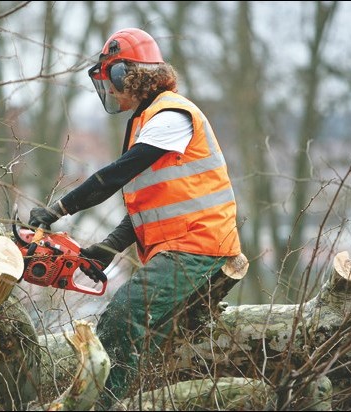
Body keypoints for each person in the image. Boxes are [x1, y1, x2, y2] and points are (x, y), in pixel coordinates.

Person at [28, 27, 242, 408]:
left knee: (124, 317)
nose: (110, 90)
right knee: (150, 340)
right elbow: (150, 206)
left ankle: (103, 404)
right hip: (180, 246)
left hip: (199, 245)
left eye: (112, 79)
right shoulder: (149, 124)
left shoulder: (172, 115)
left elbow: (114, 175)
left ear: (127, 74)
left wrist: (58, 210)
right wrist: (109, 247)